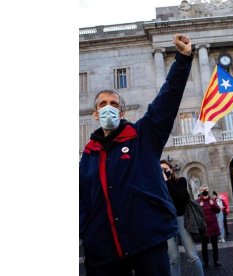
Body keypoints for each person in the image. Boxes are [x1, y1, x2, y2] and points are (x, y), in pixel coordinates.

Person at [79, 34, 193, 276]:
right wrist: (86, 233)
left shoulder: (143, 136)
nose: (108, 107)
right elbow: (82, 201)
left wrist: (182, 60)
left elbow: (167, 99)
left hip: (148, 244)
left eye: (113, 103)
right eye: (102, 104)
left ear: (121, 111)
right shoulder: (88, 156)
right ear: (95, 114)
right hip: (103, 251)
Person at [160, 160, 205, 276]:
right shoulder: (158, 186)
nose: (163, 172)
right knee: (173, 259)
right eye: (161, 170)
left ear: (171, 170)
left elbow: (181, 198)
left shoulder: (181, 181)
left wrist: (167, 181)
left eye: (166, 169)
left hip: (182, 219)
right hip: (168, 222)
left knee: (192, 255)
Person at [197, 184, 222, 269]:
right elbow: (196, 214)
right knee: (204, 247)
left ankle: (216, 261)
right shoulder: (198, 201)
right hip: (204, 228)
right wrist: (199, 207)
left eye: (206, 189)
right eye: (203, 189)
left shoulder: (212, 200)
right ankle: (206, 262)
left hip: (213, 226)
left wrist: (213, 205)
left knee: (215, 245)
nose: (205, 190)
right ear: (200, 191)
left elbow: (218, 210)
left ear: (208, 190)